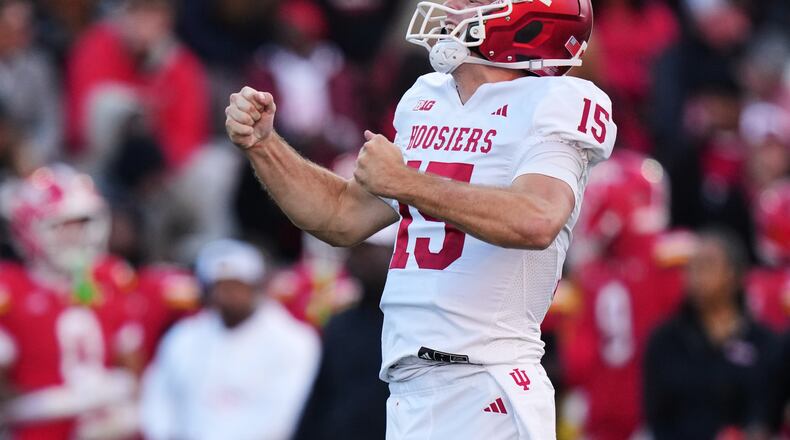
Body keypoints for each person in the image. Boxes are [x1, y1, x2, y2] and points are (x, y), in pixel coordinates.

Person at [225, 0, 616, 437]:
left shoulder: (556, 99)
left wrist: (407, 182)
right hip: (412, 386)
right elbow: (339, 216)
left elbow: (538, 218)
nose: (451, 6)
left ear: (525, 17)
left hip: (486, 380)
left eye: (473, 1)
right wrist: (265, 146)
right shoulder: (426, 97)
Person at [0, 164, 141, 439]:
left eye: (82, 222)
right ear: (27, 229)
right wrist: (49, 403)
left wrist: (112, 393)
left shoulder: (111, 276)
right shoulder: (9, 288)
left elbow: (132, 363)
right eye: (61, 225)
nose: (75, 235)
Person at [561, 151, 692, 439]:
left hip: (614, 410)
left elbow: (575, 362)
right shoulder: (673, 259)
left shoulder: (591, 275)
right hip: (656, 411)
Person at [139, 239, 320, 440]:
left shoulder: (293, 340)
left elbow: (286, 413)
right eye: (219, 286)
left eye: (236, 285)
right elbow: (159, 397)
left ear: (256, 285)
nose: (227, 295)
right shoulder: (184, 336)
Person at [644, 229, 779, 440]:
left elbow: (768, 412)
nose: (695, 276)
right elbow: (657, 416)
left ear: (735, 275)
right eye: (691, 267)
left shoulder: (765, 343)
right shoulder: (665, 341)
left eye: (707, 265)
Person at [294, 224, 396, 440]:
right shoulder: (340, 325)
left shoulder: (413, 325)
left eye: (369, 251)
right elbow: (320, 399)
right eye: (355, 251)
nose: (360, 259)